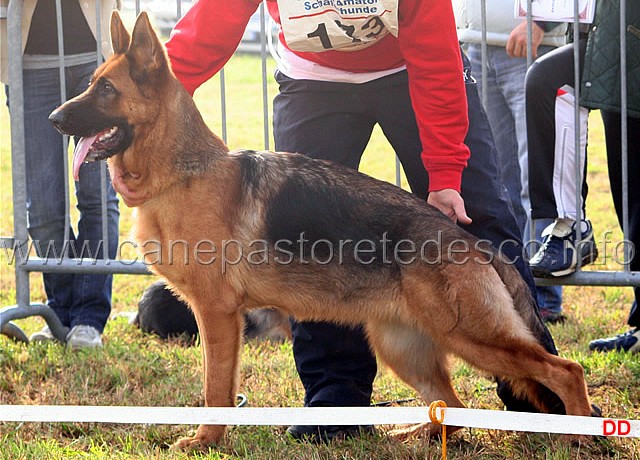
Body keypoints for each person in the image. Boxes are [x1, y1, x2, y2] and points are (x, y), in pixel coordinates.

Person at [165, 0, 561, 442]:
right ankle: (336, 398)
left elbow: (433, 52)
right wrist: (151, 99)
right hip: (312, 80)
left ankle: (541, 391)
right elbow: (212, 23)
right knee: (306, 241)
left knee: (477, 211)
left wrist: (446, 172)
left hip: (413, 66)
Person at [0, 0, 120, 348]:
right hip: (28, 62)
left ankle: (88, 320)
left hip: (94, 57)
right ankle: (60, 315)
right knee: (43, 209)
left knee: (97, 196)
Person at [525, 0, 639, 352]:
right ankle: (570, 229)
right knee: (630, 194)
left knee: (548, 79)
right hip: (613, 40)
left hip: (626, 37)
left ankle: (571, 229)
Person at [454, 0, 567, 323]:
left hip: (531, 44)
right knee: (498, 180)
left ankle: (543, 295)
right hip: (474, 42)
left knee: (537, 173)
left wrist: (542, 22)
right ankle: (517, 292)